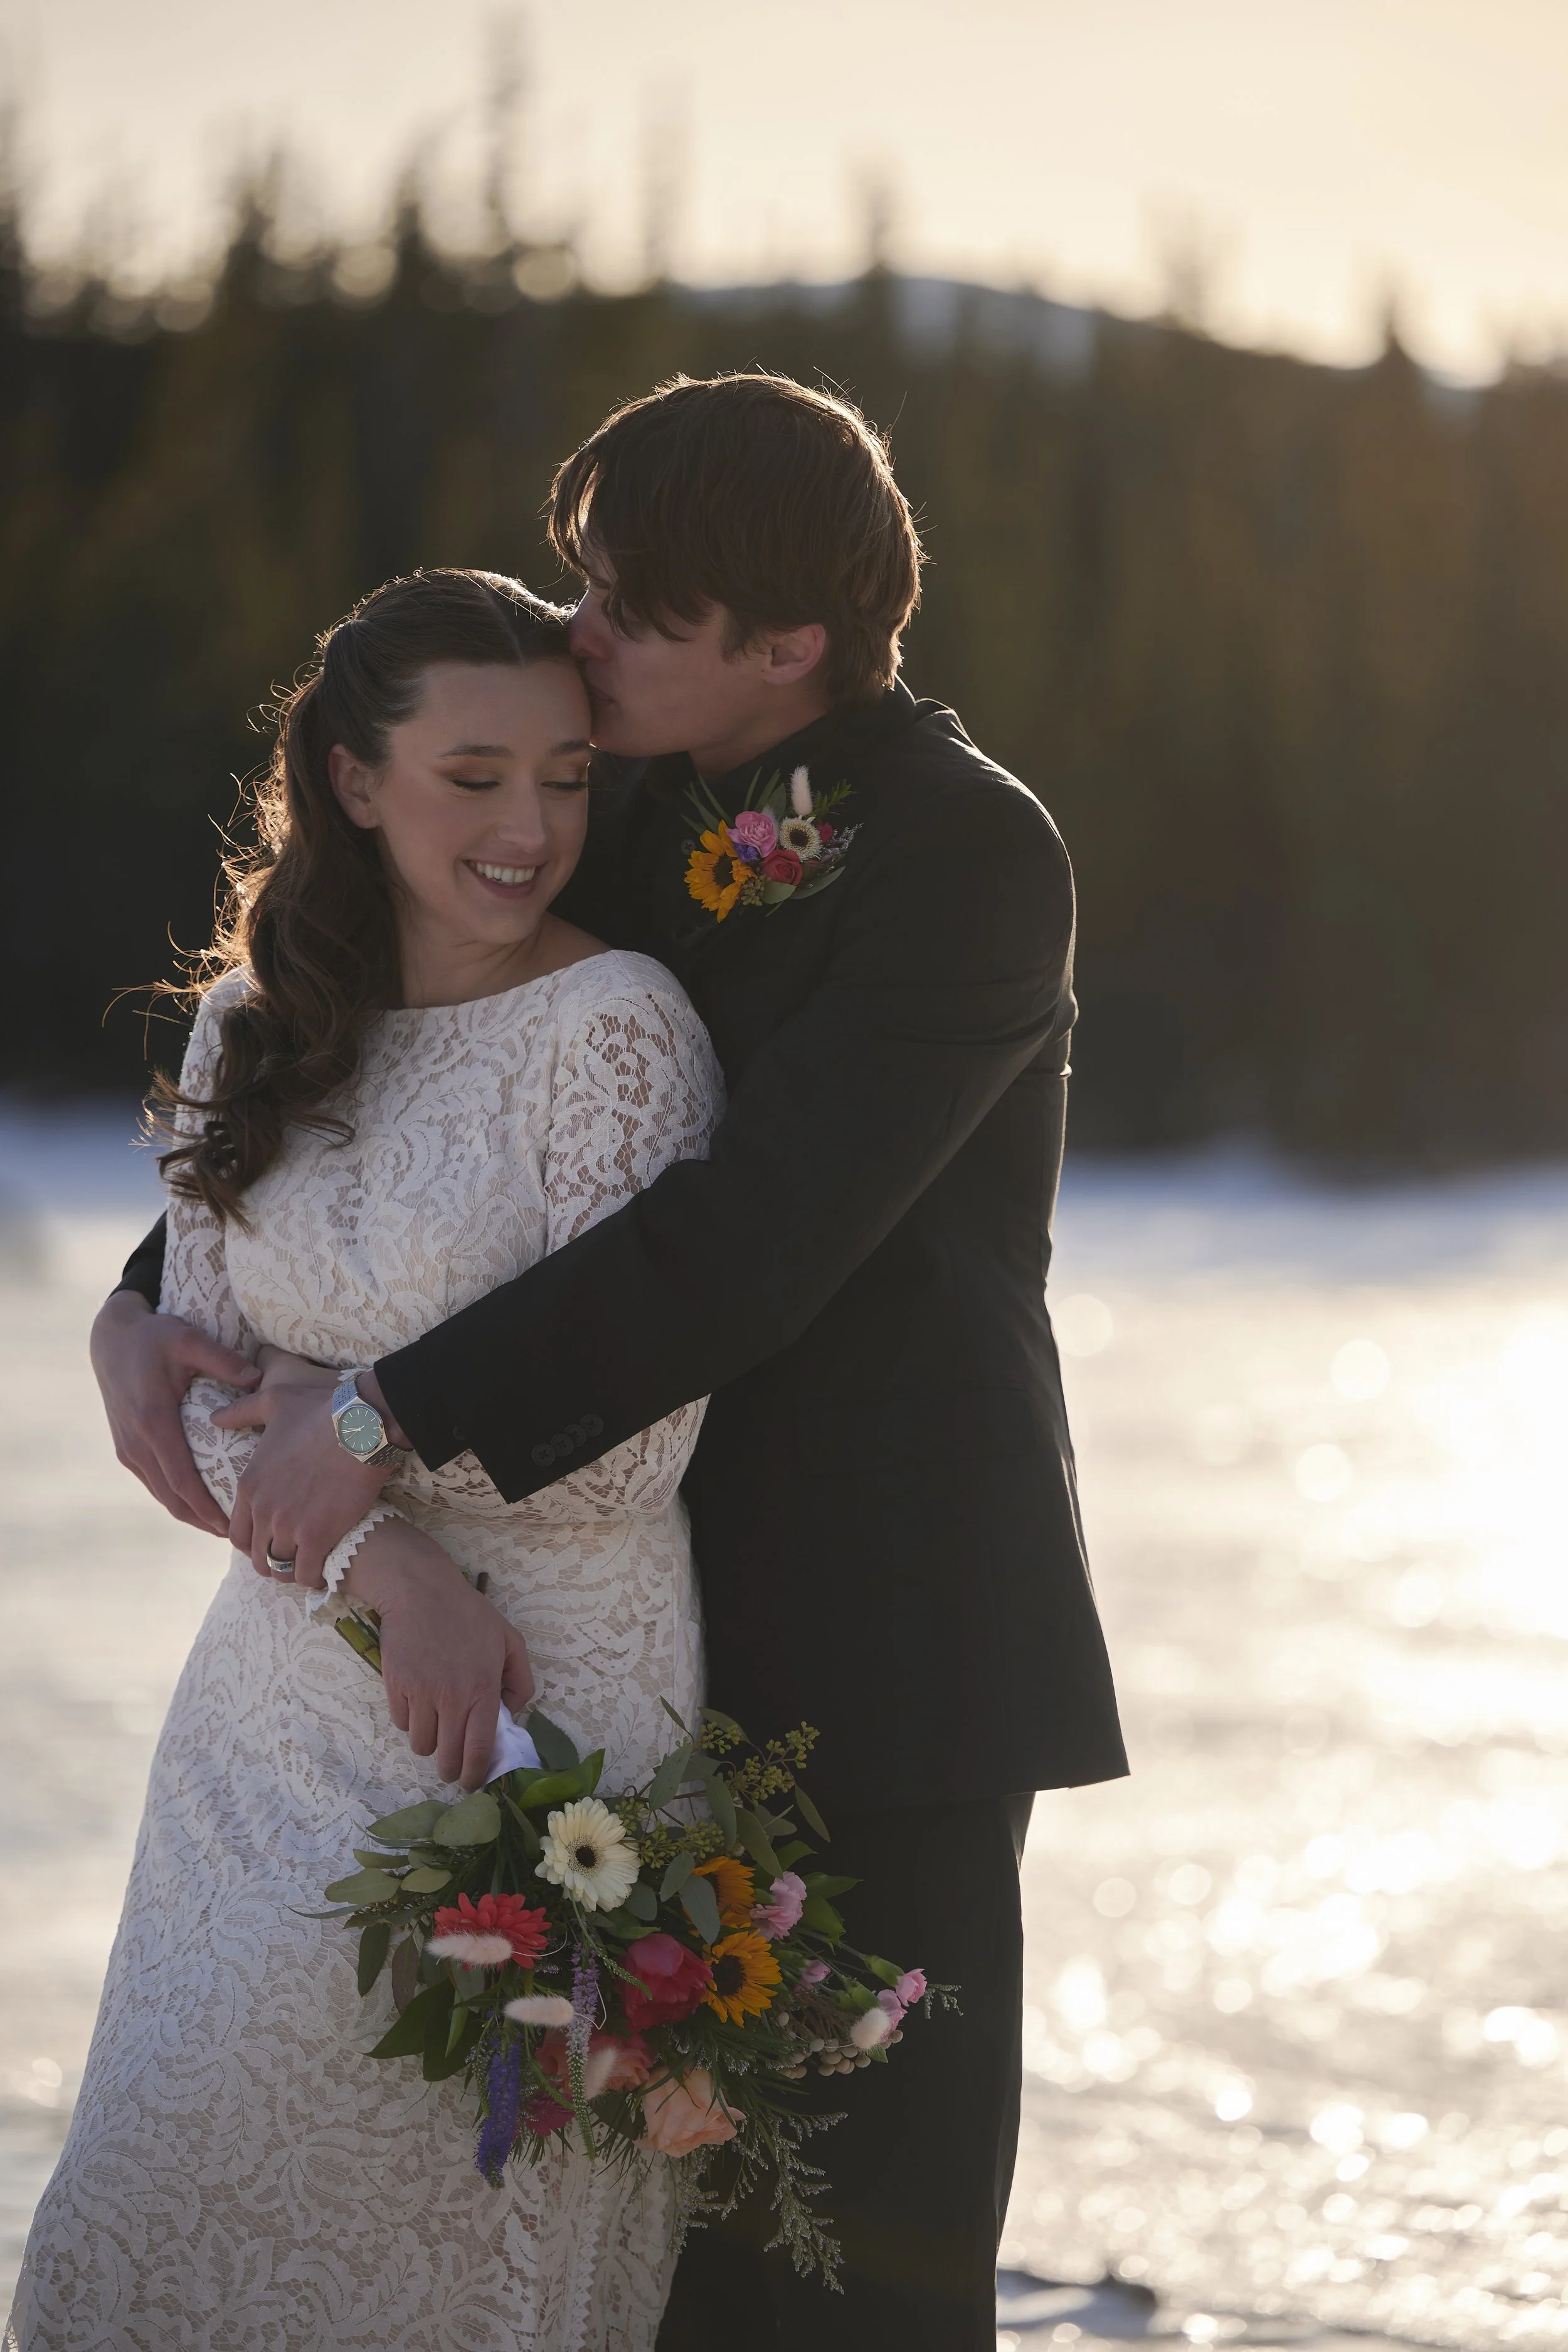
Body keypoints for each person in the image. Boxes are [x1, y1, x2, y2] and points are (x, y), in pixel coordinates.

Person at [93, 373, 1128, 2349]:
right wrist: (153, 1289)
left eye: (625, 602)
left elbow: (748, 1240)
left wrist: (379, 1414)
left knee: (847, 2244)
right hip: (607, 1615)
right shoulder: (609, 781)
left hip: (876, 1620)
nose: (577, 636)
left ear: (792, 645)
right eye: (579, 578)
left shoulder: (969, 852)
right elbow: (400, 1061)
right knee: (598, 2227)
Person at [8, 570, 725, 2351]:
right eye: (472, 774)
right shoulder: (248, 1020)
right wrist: (377, 1559)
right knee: (173, 2163)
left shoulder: (619, 1026)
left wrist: (341, 1416)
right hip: (279, 1694)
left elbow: (629, 1451)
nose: (530, 825)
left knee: (449, 2218)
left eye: (564, 775)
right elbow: (194, 1390)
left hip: (537, 1703)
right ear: (348, 777)